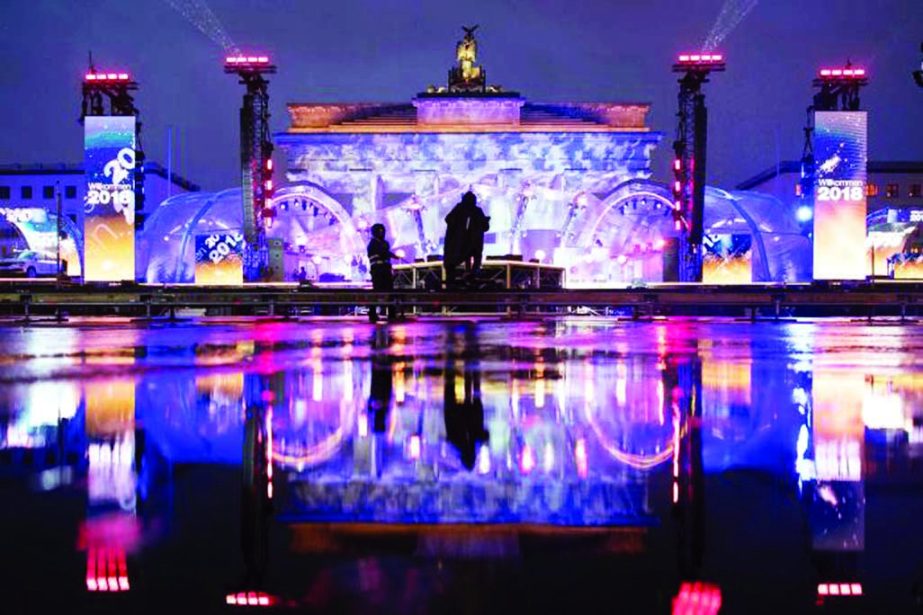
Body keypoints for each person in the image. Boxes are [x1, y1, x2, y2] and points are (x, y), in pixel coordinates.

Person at [443, 191, 490, 288]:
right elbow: (448, 219)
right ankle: (468, 274)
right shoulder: (461, 209)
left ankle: (472, 274)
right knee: (470, 256)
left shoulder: (473, 210)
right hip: (459, 243)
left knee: (474, 255)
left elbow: (485, 227)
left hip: (468, 243)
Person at [367, 223, 399, 323]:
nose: (381, 233)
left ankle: (392, 313)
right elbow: (382, 253)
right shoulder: (372, 244)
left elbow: (385, 253)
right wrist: (392, 255)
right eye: (379, 231)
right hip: (377, 270)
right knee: (376, 292)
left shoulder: (385, 243)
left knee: (390, 291)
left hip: (386, 269)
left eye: (382, 230)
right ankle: (372, 313)